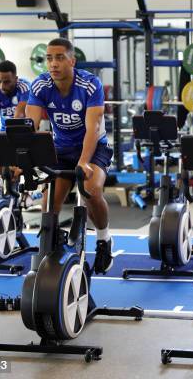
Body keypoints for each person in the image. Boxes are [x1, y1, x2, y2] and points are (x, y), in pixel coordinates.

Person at [25, 37, 114, 274]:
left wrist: (84, 161)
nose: (53, 63)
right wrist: (22, 157)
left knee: (90, 190)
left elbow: (93, 128)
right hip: (61, 148)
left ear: (72, 60)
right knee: (48, 205)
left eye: (60, 58)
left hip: (94, 147)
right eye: (49, 58)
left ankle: (104, 240)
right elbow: (30, 125)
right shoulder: (40, 85)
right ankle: (52, 249)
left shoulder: (89, 84)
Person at [0, 60, 30, 174]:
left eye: (7, 82)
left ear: (16, 78)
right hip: (3, 133)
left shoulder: (24, 87)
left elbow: (19, 116)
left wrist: (12, 154)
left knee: (19, 170)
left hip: (23, 132)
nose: (2, 86)